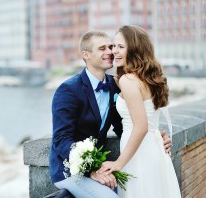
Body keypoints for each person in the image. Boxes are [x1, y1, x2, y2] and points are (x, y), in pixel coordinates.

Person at [49, 30, 172, 198]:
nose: (110, 52)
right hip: (70, 170)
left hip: (103, 167)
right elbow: (61, 139)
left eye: (111, 46)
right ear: (86, 55)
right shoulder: (68, 90)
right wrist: (91, 171)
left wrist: (155, 137)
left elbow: (127, 126)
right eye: (102, 48)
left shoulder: (115, 85)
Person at [97, 25, 181, 198]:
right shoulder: (147, 79)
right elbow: (149, 121)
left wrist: (119, 163)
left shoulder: (128, 80)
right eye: (114, 46)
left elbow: (141, 126)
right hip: (153, 147)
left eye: (121, 47)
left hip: (139, 154)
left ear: (135, 49)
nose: (114, 51)